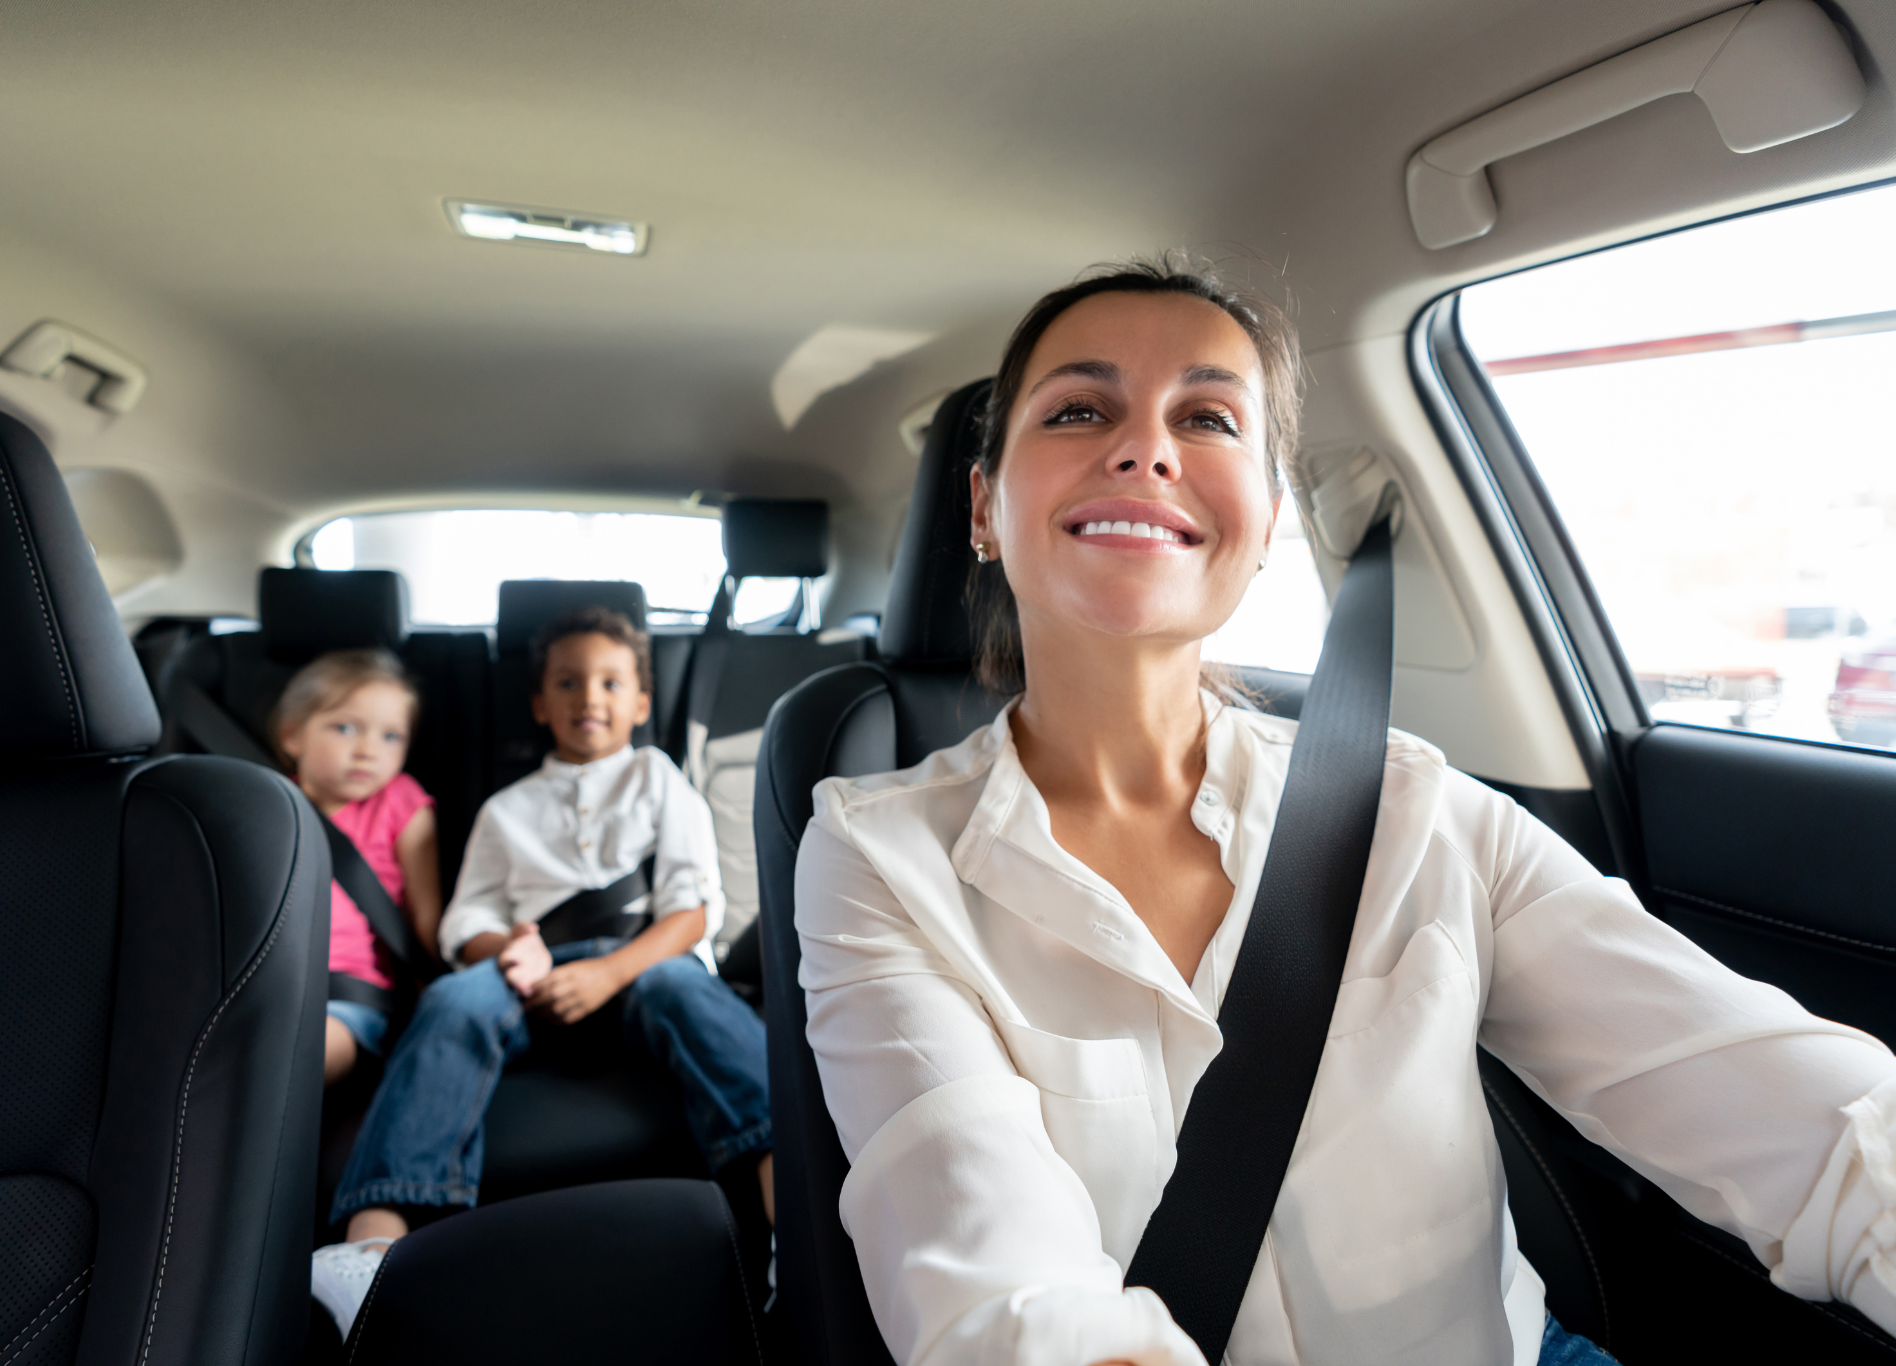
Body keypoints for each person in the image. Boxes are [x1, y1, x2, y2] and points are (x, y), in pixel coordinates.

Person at [793, 258, 1896, 1366]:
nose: (1145, 449)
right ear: (983, 506)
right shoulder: (876, 852)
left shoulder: (1418, 810)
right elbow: (991, 1269)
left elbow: (1810, 1127)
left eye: (1208, 417)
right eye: (1079, 410)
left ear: (1266, 521)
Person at [311, 606, 772, 1337]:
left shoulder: (659, 778)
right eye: (568, 682)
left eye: (612, 683)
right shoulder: (507, 809)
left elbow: (693, 911)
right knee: (455, 1002)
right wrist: (507, 951)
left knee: (691, 991)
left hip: (641, 967)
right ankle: (371, 1240)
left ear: (641, 703)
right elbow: (465, 922)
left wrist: (610, 973)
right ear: (539, 704)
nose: (590, 697)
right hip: (528, 976)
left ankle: (790, 1217)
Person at [270, 648, 441, 1086]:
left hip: (349, 996)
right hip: (268, 986)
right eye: (345, 728)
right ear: (292, 736)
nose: (368, 750)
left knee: (288, 1065)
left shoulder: (401, 802)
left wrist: (432, 984)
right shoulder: (266, 804)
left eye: (391, 737)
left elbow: (426, 914)